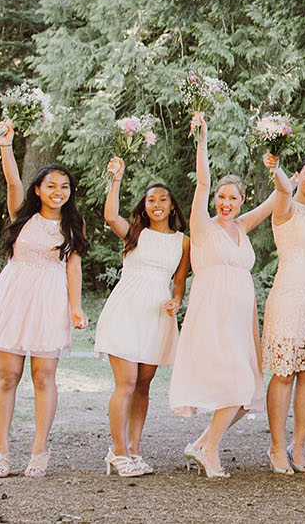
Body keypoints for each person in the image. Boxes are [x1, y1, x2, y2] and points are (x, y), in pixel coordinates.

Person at [0, 120, 89, 478]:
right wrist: (6, 145)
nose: (59, 192)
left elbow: (73, 269)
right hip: (15, 296)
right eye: (51, 186)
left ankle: (40, 449)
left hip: (50, 301)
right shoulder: (21, 217)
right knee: (8, 376)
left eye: (64, 186)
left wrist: (76, 307)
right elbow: (12, 181)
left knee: (43, 376)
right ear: (38, 189)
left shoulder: (73, 225)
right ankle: (2, 450)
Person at [169, 112, 275, 478]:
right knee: (238, 383)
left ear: (242, 200)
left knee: (248, 394)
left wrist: (278, 160)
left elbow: (278, 199)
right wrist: (202, 138)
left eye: (232, 197)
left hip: (241, 318)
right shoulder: (202, 228)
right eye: (221, 196)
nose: (225, 202)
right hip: (212, 313)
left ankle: (202, 443)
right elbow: (201, 181)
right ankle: (211, 450)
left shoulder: (242, 227)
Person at [96, 158, 189, 477]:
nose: (158, 204)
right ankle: (117, 452)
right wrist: (116, 179)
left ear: (173, 206)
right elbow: (110, 215)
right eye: (151, 200)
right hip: (127, 308)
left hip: (157, 313)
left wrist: (176, 301)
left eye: (163, 199)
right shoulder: (134, 232)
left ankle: (133, 450)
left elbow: (179, 281)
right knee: (126, 382)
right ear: (145, 206)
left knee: (144, 384)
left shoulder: (182, 241)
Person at [260, 152, 305, 474]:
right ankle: (276, 447)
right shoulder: (286, 206)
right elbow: (281, 190)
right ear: (298, 175)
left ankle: (299, 445)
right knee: (284, 372)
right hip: (289, 297)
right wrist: (276, 170)